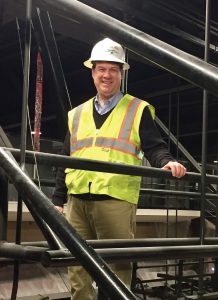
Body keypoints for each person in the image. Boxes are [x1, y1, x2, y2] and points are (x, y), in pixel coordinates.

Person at [52, 37, 187, 300]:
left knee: (116, 272)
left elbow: (154, 146)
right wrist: (58, 198)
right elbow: (66, 157)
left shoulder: (137, 109)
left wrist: (166, 161)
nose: (107, 75)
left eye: (113, 69)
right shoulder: (76, 114)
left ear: (121, 73)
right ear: (93, 72)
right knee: (77, 270)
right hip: (76, 201)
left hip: (115, 201)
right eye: (101, 68)